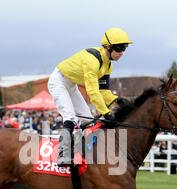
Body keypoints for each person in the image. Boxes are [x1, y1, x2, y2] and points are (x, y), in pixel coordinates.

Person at [48, 27, 133, 166]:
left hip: (71, 85)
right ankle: (63, 155)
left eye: (124, 48)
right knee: (70, 117)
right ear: (108, 47)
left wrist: (115, 100)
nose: (121, 53)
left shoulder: (108, 65)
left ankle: (82, 152)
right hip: (58, 81)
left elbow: (103, 91)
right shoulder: (92, 61)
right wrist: (106, 113)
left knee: (87, 119)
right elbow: (93, 92)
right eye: (119, 48)